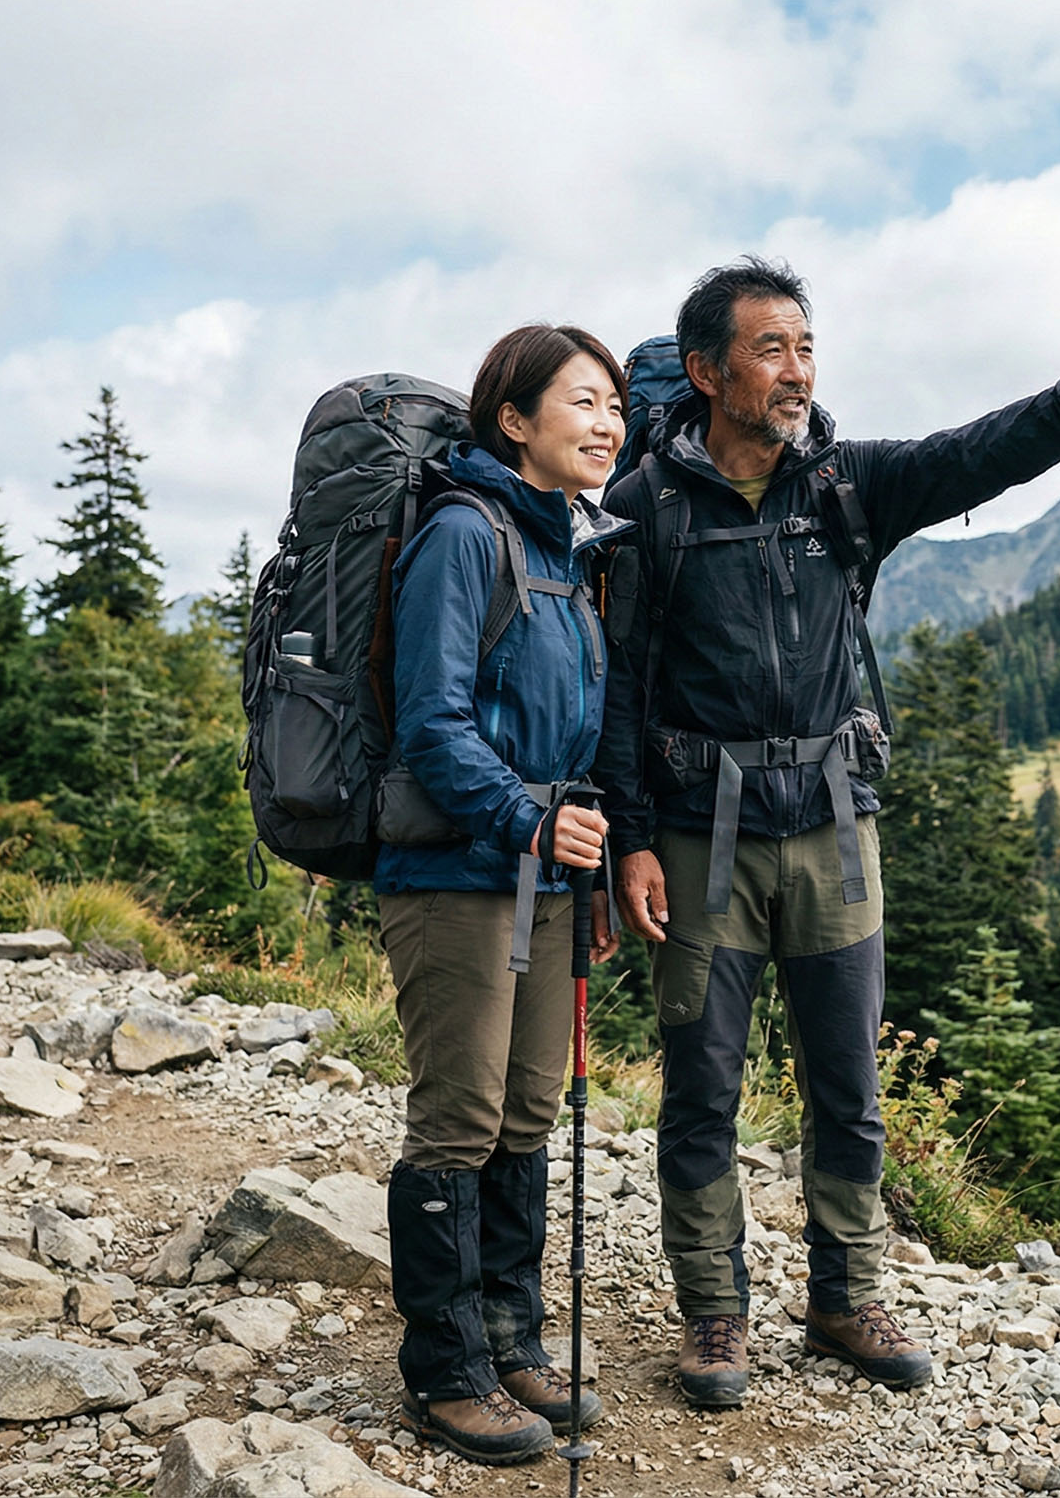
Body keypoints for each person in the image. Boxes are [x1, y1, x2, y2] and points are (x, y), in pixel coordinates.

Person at [592, 256, 1060, 1407]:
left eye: (806, 347)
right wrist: (629, 836)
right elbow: (617, 689)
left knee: (847, 1084)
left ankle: (842, 1294)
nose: (795, 370)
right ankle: (713, 1316)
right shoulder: (644, 511)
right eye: (769, 348)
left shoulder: (845, 483)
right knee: (701, 1086)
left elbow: (976, 452)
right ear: (708, 370)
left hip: (831, 826)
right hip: (695, 834)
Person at [376, 323, 630, 1465]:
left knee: (529, 1109)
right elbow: (428, 721)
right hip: (455, 872)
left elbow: (569, 732)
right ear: (513, 420)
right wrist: (528, 816)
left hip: (541, 875)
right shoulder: (462, 535)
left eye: (615, 403)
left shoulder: (569, 553)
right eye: (581, 401)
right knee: (459, 1117)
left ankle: (510, 1338)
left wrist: (582, 851)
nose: (607, 421)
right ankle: (445, 1370)